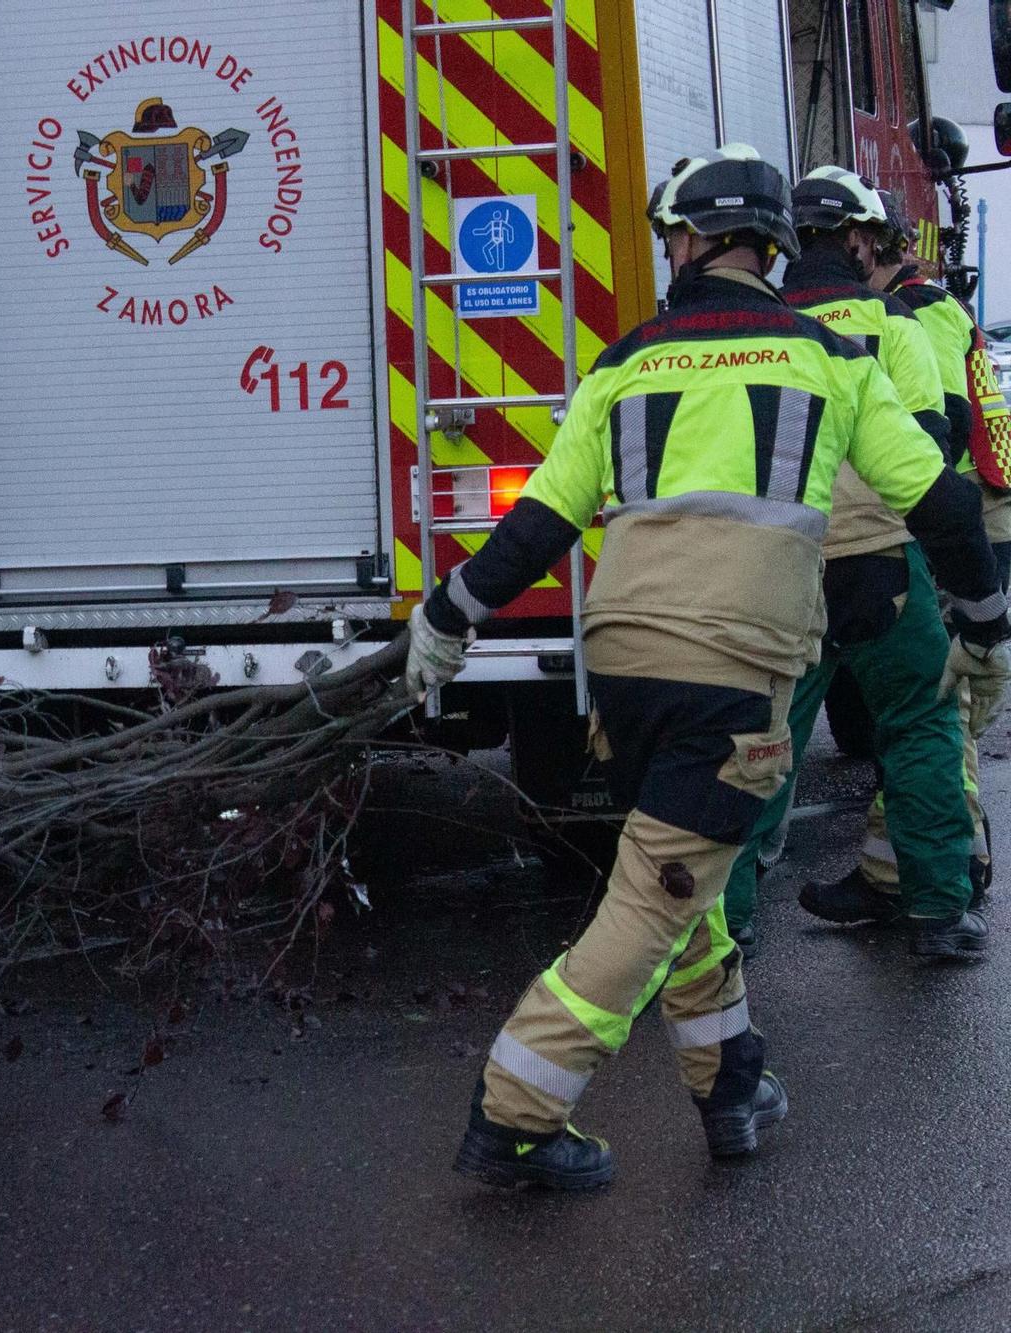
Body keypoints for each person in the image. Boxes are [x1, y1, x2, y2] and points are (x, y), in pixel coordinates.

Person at [407, 146, 1011, 1192]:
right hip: (733, 675)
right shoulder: (829, 360)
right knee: (654, 897)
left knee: (692, 873)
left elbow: (537, 525)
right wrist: (985, 626)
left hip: (624, 674)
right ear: (770, 247)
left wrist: (445, 619)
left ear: (687, 242)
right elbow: (943, 505)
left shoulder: (623, 364)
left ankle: (730, 1083)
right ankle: (512, 1115)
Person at [721, 168, 995, 960]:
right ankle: (940, 914)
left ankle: (722, 926)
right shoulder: (893, 324)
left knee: (758, 745)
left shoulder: (755, 329)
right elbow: (935, 449)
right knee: (920, 727)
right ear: (859, 240)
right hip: (883, 564)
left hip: (783, 568)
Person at [811, 189, 1011, 914]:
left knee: (939, 711)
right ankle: (909, 872)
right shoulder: (928, 308)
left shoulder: (915, 314)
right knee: (932, 711)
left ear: (875, 253)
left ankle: (951, 868)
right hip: (955, 521)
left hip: (943, 526)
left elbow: (933, 437)